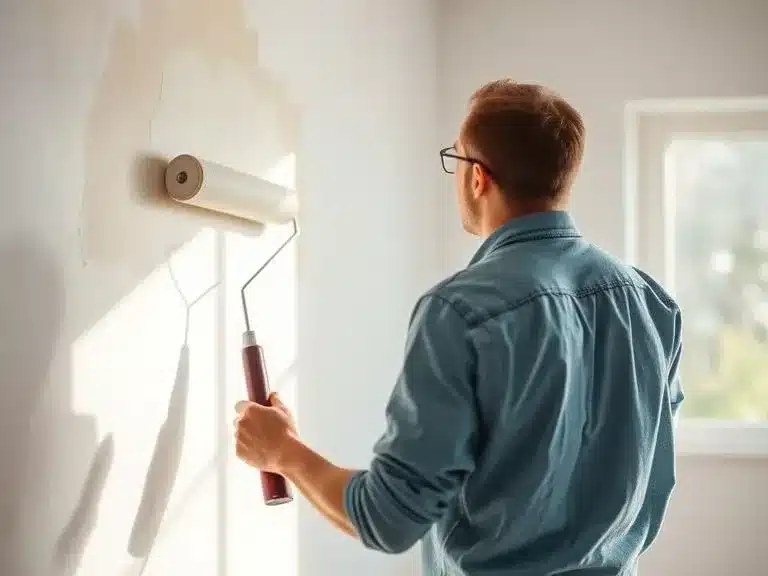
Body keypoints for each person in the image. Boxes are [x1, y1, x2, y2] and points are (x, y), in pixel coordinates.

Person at [233, 80, 684, 575]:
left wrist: (284, 452)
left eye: (456, 159)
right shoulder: (648, 301)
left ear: (477, 177)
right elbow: (641, 463)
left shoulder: (460, 311)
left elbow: (389, 519)